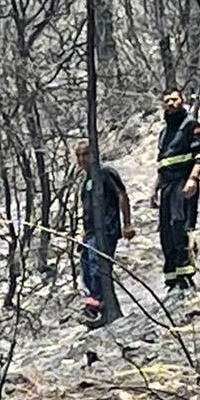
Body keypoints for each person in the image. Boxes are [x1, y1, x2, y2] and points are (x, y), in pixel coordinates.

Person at [151, 86, 200, 292]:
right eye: (167, 100)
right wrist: (155, 190)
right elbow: (163, 163)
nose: (171, 103)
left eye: (174, 99)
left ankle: (186, 276)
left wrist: (193, 179)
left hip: (183, 183)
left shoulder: (191, 125)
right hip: (166, 186)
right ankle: (172, 277)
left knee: (180, 226)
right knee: (166, 231)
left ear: (182, 101)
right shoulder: (164, 133)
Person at [74, 139, 133, 326]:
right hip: (90, 232)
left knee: (96, 264)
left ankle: (98, 304)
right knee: (85, 266)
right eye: (79, 155)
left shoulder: (106, 173)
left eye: (86, 154)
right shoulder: (86, 182)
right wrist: (83, 233)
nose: (82, 159)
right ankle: (94, 301)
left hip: (107, 229)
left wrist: (127, 224)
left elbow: (122, 195)